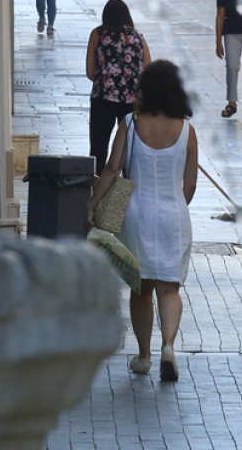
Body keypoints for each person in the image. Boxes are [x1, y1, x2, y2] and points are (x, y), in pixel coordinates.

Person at [85, 60, 199, 382]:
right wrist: (175, 206)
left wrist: (93, 205)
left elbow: (111, 169)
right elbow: (189, 185)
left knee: (141, 289)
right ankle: (168, 347)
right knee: (169, 288)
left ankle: (144, 355)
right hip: (173, 214)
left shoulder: (130, 123)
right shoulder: (188, 132)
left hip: (135, 213)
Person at [86, 0, 151, 173]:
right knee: (128, 149)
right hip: (131, 102)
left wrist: (107, 81)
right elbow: (148, 70)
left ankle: (98, 190)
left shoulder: (98, 34)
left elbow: (90, 72)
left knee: (99, 148)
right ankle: (126, 193)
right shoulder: (138, 37)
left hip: (103, 98)